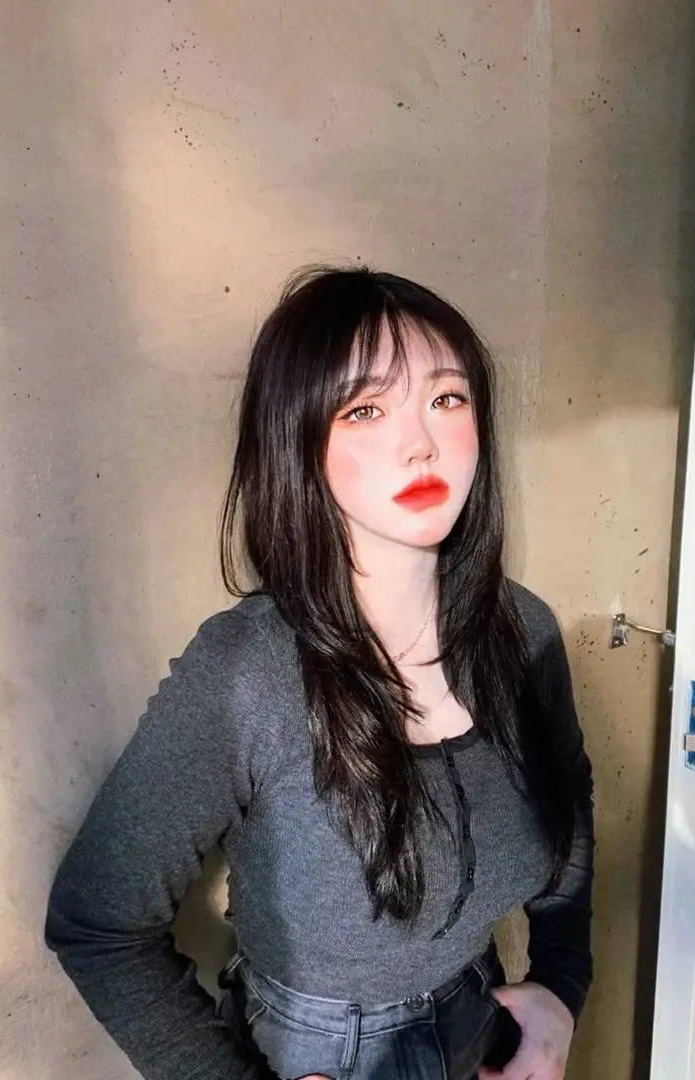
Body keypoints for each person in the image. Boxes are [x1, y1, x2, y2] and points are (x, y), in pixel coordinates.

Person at [44, 266, 595, 1080]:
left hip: (484, 1017)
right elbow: (98, 924)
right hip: (329, 1055)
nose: (421, 442)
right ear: (300, 439)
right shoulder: (248, 674)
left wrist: (559, 986)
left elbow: (569, 801)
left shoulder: (524, 631)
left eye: (447, 398)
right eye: (366, 409)